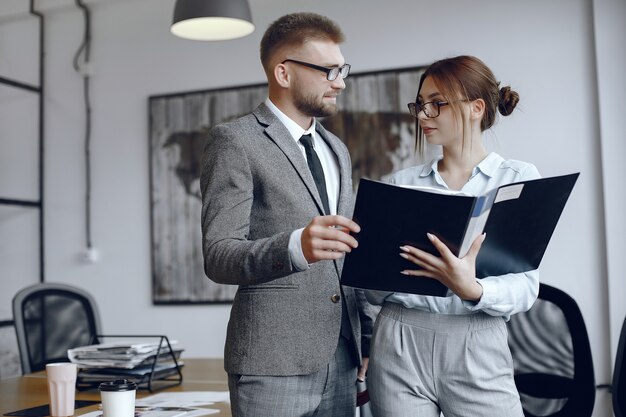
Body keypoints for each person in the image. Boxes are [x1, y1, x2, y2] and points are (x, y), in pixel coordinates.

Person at [200, 12, 376, 417]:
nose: (341, 82)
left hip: (343, 356)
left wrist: (367, 340)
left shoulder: (337, 150)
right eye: (329, 70)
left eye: (342, 69)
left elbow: (350, 256)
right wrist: (296, 246)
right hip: (271, 363)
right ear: (283, 72)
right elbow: (218, 254)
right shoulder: (235, 141)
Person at [366, 55, 540, 417]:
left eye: (437, 104)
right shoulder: (401, 184)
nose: (422, 115)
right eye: (420, 104)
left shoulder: (517, 178)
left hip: (476, 337)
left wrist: (473, 289)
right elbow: (369, 290)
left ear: (476, 108)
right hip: (398, 339)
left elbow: (526, 287)